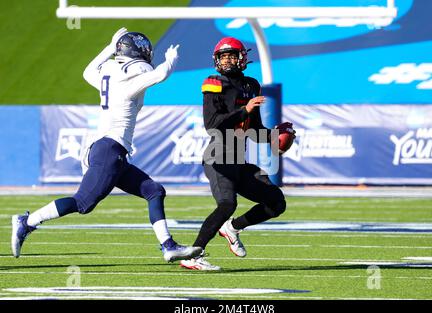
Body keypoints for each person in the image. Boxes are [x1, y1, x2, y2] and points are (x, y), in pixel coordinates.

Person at [11, 28, 202, 263]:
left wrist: (108, 48)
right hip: (109, 149)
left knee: (154, 191)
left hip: (110, 149)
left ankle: (168, 246)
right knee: (83, 203)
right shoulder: (132, 76)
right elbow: (159, 75)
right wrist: (171, 61)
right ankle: (26, 222)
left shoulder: (110, 71)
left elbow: (87, 71)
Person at [180, 37, 295, 271]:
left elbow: (253, 131)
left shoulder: (251, 85)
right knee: (226, 204)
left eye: (232, 55)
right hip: (218, 157)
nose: (228, 60)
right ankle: (193, 255)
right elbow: (212, 124)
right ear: (216, 60)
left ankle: (232, 228)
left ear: (242, 58)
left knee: (276, 203)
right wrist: (245, 110)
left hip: (238, 160)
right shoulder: (213, 82)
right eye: (224, 56)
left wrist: (275, 138)